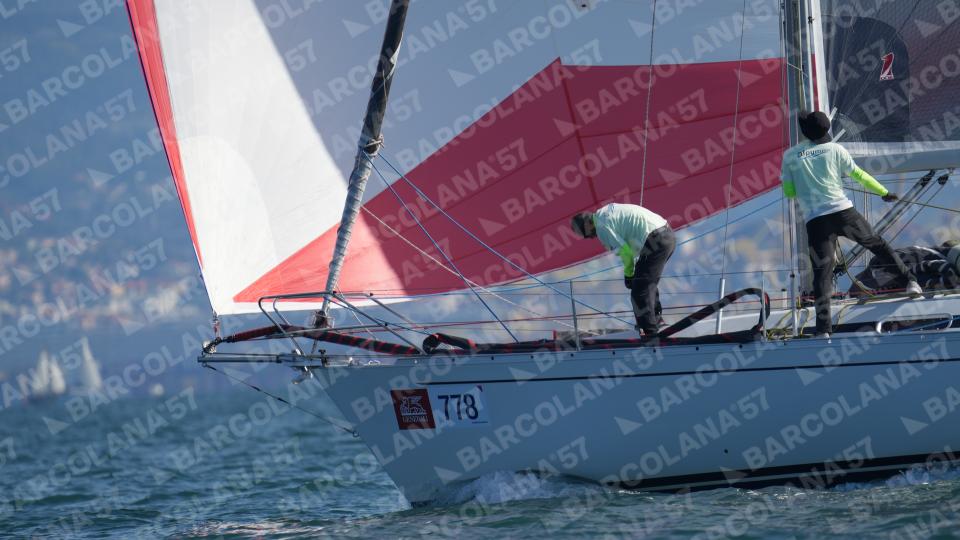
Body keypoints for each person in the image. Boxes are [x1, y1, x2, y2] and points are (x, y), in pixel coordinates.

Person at [781, 110, 922, 338]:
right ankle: (911, 283)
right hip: (843, 213)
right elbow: (859, 175)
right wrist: (883, 192)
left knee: (822, 273)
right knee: (877, 245)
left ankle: (823, 331)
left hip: (816, 222)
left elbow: (789, 192)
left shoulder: (790, 156)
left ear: (805, 132)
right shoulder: (836, 149)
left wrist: (806, 184)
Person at [571, 203, 675, 336]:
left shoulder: (602, 227)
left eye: (586, 234)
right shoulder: (604, 212)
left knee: (639, 292)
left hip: (655, 240)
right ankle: (656, 321)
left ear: (587, 225)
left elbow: (625, 253)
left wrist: (628, 275)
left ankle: (650, 334)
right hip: (666, 235)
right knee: (645, 283)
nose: (591, 237)